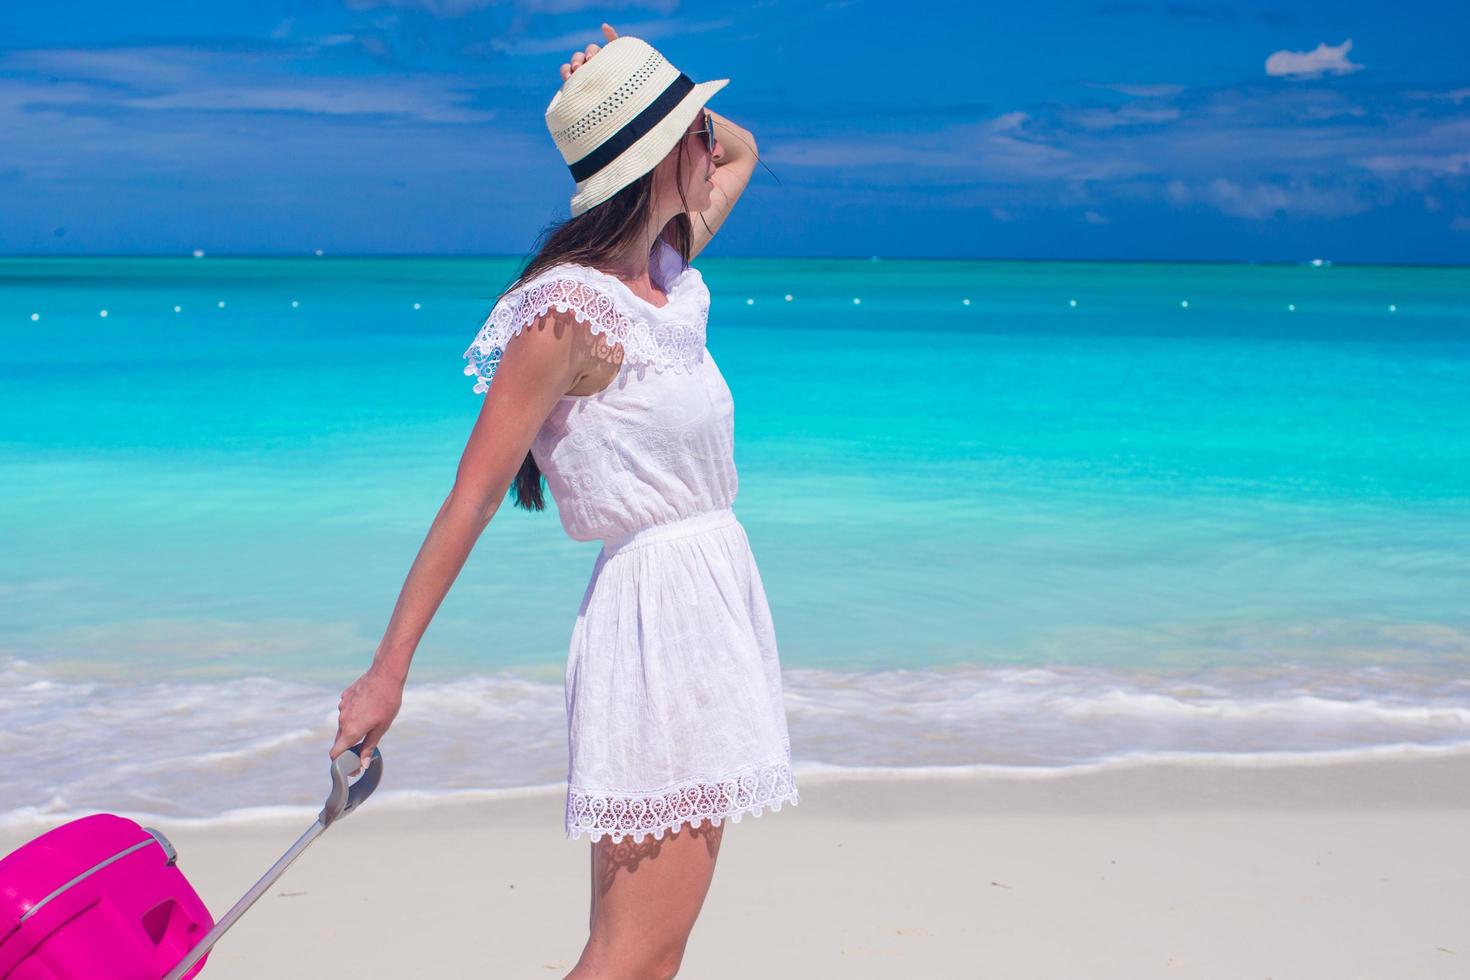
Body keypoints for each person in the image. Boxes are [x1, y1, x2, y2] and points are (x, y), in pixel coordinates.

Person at [330, 23, 799, 979]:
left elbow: (745, 149)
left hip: (710, 606)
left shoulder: (663, 275)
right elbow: (471, 499)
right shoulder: (565, 316)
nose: (712, 140)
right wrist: (388, 673)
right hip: (657, 621)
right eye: (690, 126)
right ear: (659, 154)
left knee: (652, 954)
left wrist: (647, 79)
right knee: (636, 951)